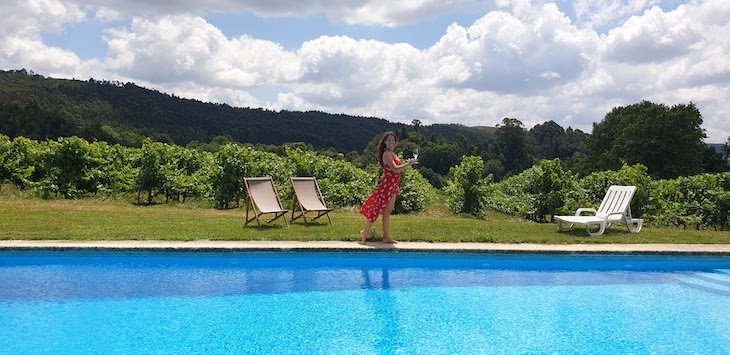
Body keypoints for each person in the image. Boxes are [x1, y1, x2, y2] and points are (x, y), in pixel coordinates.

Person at [359, 131, 417, 244]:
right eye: (389, 140)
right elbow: (395, 169)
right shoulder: (386, 154)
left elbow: (395, 173)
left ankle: (386, 237)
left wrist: (396, 186)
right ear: (385, 142)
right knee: (376, 210)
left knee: (386, 212)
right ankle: (365, 232)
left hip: (392, 186)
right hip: (387, 186)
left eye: (393, 140)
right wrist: (408, 164)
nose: (391, 142)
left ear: (396, 142)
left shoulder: (393, 154)